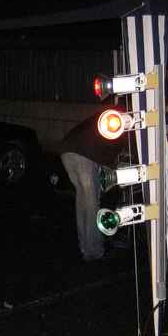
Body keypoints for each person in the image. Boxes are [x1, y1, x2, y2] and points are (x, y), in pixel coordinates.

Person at [56, 108, 128, 261]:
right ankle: (94, 250)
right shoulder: (121, 123)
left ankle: (84, 246)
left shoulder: (106, 116)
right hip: (84, 155)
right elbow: (111, 157)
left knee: (83, 202)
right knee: (92, 204)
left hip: (66, 151)